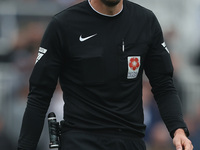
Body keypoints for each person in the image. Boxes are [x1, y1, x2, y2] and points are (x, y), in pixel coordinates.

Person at [17, 0, 194, 150]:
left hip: (131, 141)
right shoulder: (63, 25)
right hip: (81, 141)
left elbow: (163, 85)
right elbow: (39, 95)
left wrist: (178, 130)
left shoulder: (145, 22)